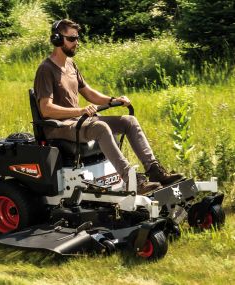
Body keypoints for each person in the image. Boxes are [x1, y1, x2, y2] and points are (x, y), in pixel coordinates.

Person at [34, 19, 184, 195]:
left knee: (129, 121)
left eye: (77, 38)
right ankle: (132, 181)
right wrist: (81, 111)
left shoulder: (70, 65)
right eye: (72, 38)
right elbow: (46, 109)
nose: (77, 42)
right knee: (100, 126)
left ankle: (154, 171)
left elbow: (89, 93)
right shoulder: (46, 69)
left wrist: (113, 100)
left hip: (77, 122)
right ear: (58, 39)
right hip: (59, 127)